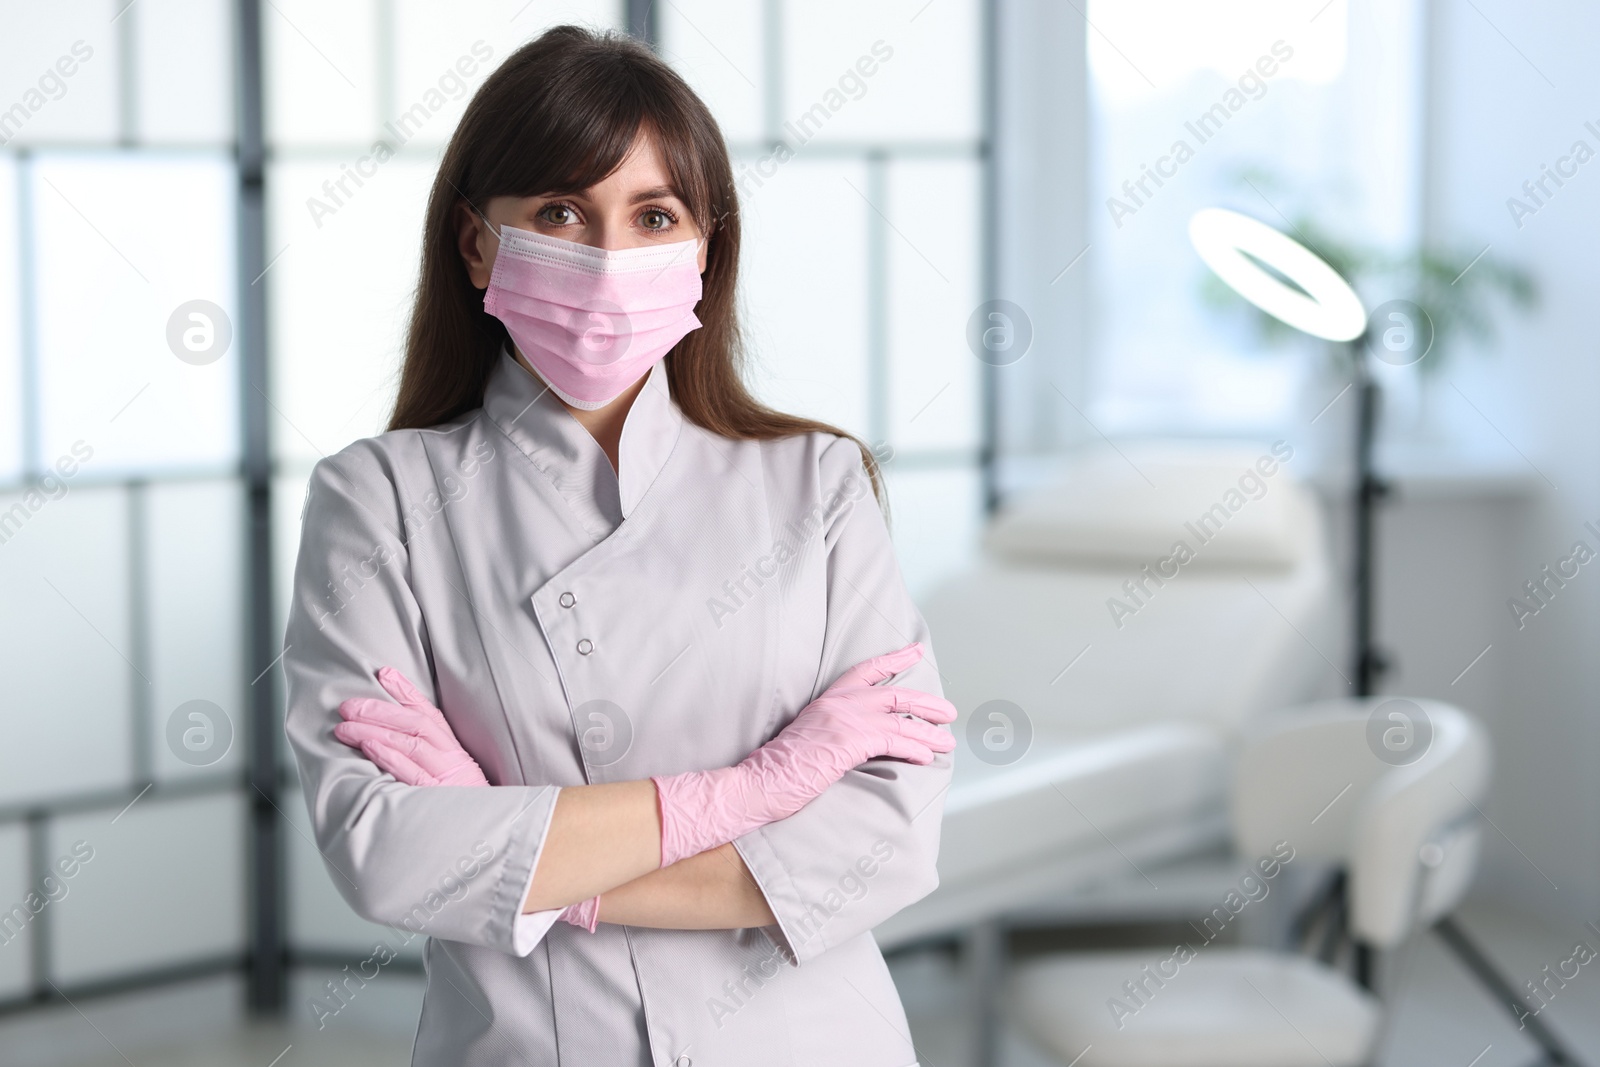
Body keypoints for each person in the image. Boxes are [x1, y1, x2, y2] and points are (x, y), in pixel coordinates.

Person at [282, 24, 956, 1067]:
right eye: (560, 211)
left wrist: (513, 852)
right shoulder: (379, 498)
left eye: (653, 216)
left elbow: (886, 837)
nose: (607, 259)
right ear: (476, 242)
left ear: (701, 251)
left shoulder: (818, 483)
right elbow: (385, 854)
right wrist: (748, 793)